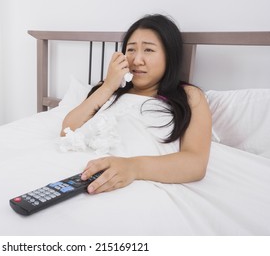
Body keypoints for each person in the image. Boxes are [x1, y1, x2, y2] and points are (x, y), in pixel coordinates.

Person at [60, 14, 212, 194]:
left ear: (169, 55)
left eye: (148, 50)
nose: (137, 60)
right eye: (131, 50)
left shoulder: (189, 96)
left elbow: (195, 164)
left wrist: (133, 167)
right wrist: (108, 85)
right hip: (78, 174)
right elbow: (67, 130)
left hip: (131, 184)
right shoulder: (110, 89)